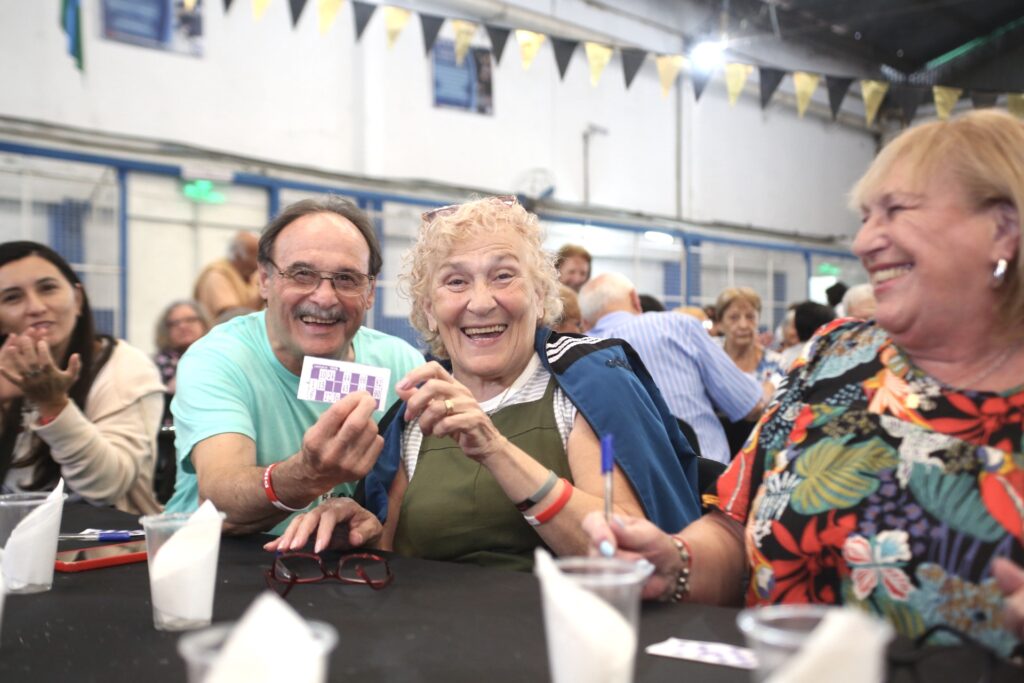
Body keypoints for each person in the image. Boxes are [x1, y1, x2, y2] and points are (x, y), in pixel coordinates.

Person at [584, 110, 1024, 657]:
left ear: (1003, 229)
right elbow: (735, 527)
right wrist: (678, 560)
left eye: (896, 211)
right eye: (865, 217)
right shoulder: (835, 356)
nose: (864, 242)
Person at [267, 196, 700, 571]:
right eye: (455, 282)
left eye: (503, 276)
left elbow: (625, 553)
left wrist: (495, 449)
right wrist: (357, 530)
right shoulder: (413, 418)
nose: (480, 302)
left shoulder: (586, 385)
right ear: (430, 309)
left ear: (538, 295)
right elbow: (391, 555)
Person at [164, 197, 424, 534]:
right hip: (221, 565)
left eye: (346, 278)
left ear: (370, 291)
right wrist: (308, 473)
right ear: (264, 280)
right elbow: (219, 499)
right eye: (302, 275)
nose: (325, 297)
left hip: (344, 569)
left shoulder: (399, 363)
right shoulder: (219, 358)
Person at [0, 241, 164, 515]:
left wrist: (54, 406)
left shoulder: (124, 366)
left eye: (48, 288)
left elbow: (107, 486)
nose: (36, 307)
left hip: (102, 546)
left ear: (77, 299)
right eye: (12, 297)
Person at [579, 273, 766, 464]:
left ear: (585, 322)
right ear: (635, 299)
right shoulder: (678, 325)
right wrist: (769, 387)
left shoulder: (578, 356)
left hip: (627, 482)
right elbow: (751, 405)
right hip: (704, 477)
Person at [715, 287, 785, 456]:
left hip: (760, 448)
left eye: (750, 317)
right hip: (715, 446)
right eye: (733, 317)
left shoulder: (776, 362)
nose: (743, 325)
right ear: (720, 323)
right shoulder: (711, 355)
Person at [193, 231, 262, 318]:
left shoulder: (252, 275)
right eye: (255, 255)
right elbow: (232, 317)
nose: (260, 261)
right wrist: (261, 296)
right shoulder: (216, 276)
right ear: (238, 256)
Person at [153, 299, 210, 396]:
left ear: (204, 323)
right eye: (175, 323)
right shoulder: (156, 368)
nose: (182, 326)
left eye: (190, 320)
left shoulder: (218, 355)